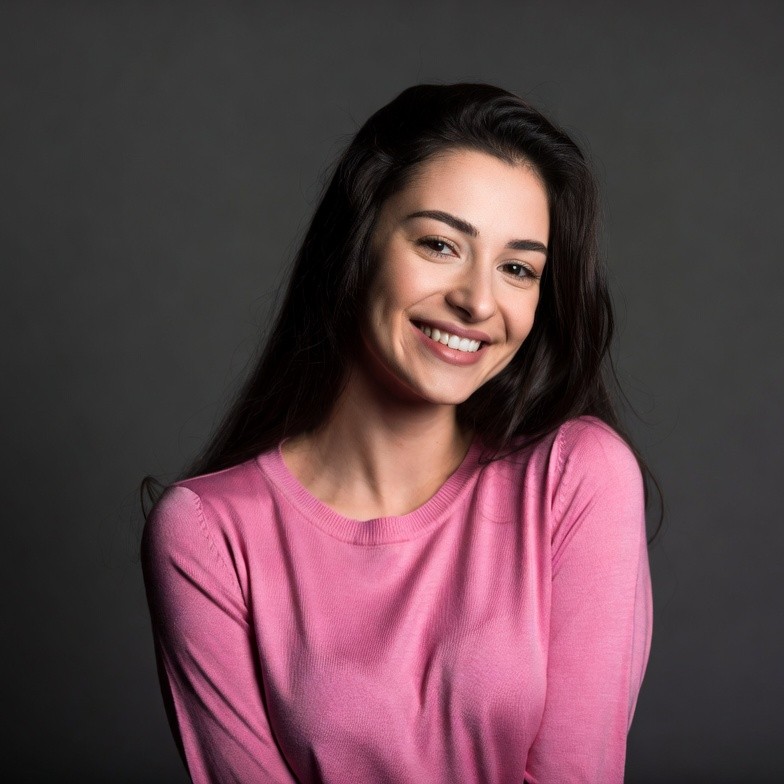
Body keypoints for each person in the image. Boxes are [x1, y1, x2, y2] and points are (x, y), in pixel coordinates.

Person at [140, 83, 654, 784]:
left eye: (517, 268)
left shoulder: (577, 477)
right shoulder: (207, 534)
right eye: (441, 244)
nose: (478, 300)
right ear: (357, 243)